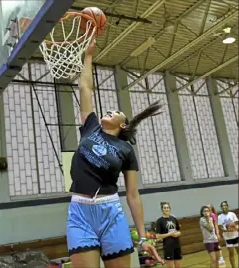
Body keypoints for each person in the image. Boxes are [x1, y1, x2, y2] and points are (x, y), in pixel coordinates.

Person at [66, 38, 164, 268]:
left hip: (111, 212)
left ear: (123, 125)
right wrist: (88, 56)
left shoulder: (126, 150)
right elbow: (85, 88)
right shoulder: (90, 127)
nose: (110, 110)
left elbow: (132, 194)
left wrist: (142, 237)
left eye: (117, 111)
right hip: (79, 212)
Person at [156, 202, 182, 268]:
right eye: (164, 208)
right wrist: (169, 234)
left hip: (177, 246)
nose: (166, 209)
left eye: (167, 208)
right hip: (168, 247)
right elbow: (158, 236)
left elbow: (178, 231)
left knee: (178, 266)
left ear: (169, 209)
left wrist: (177, 234)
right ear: (162, 209)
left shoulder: (174, 219)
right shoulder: (159, 221)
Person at [218, 201, 239, 268]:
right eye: (222, 206)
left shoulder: (232, 214)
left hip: (236, 235)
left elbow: (236, 224)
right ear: (221, 207)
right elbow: (220, 227)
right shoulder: (220, 217)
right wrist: (227, 230)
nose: (224, 207)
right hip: (228, 237)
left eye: (225, 205)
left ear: (227, 206)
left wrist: (235, 228)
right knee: (231, 253)